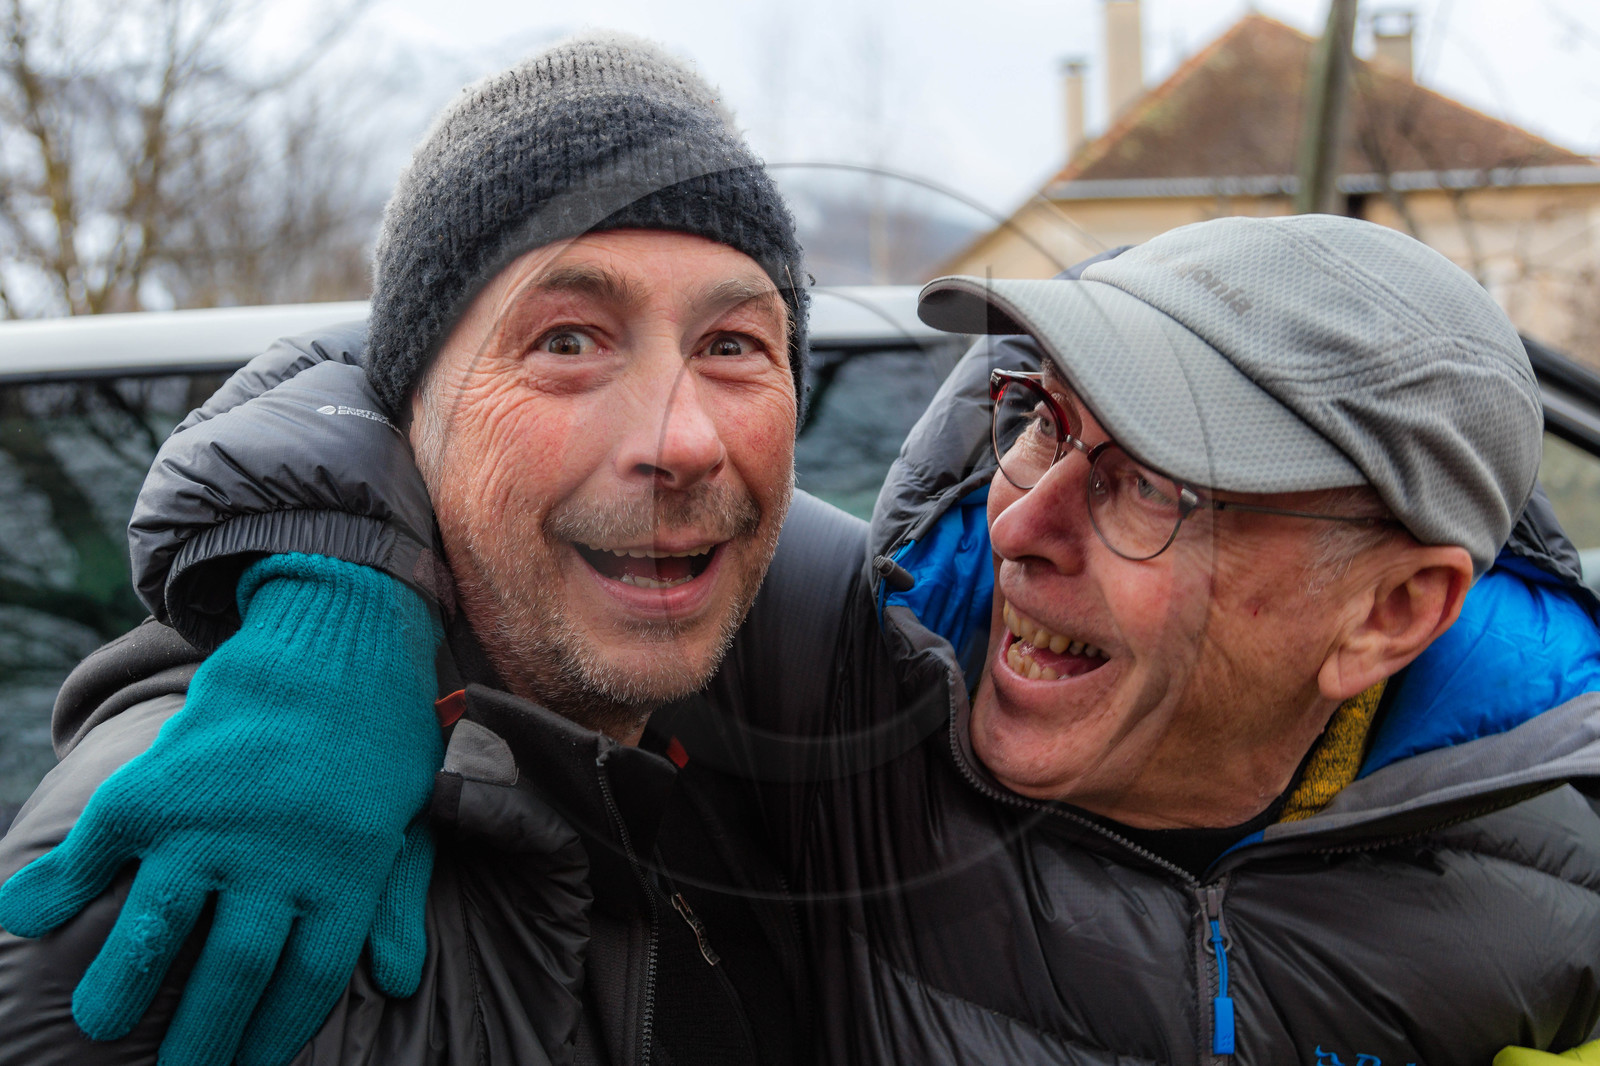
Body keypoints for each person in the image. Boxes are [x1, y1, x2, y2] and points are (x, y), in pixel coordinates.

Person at [10, 208, 1600, 1063]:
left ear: (1391, 612)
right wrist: (337, 616)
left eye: (1154, 488)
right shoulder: (848, 656)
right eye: (1042, 423)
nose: (1022, 523)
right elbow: (416, 374)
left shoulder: (1549, 888)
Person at [0, 32, 819, 1066]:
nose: (685, 440)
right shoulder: (205, 857)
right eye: (567, 341)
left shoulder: (787, 728)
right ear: (408, 414)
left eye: (732, 345)